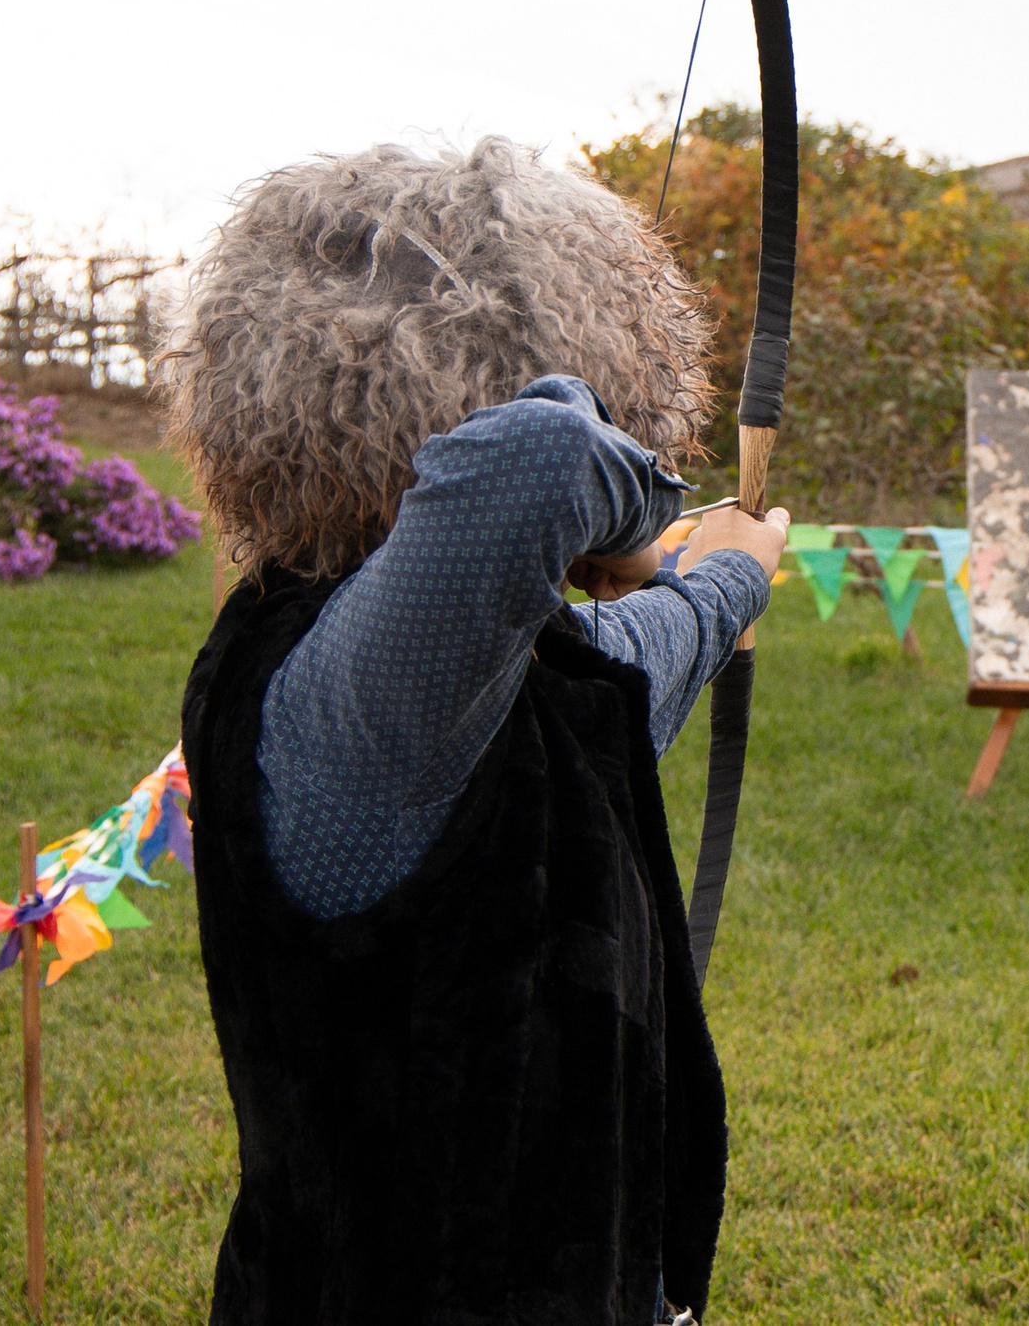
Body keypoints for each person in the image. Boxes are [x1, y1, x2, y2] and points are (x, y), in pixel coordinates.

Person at [164, 137, 784, 1325]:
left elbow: (625, 675)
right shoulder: (352, 698)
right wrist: (643, 517)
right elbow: (538, 460)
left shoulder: (510, 668)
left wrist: (725, 582)